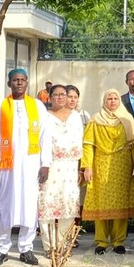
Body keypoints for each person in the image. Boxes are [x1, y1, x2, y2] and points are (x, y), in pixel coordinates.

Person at [0, 68, 51, 267]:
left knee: (29, 206)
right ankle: (2, 248)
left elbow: (44, 135)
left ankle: (26, 247)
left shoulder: (38, 106)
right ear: (9, 83)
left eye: (23, 80)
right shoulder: (0, 107)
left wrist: (45, 163)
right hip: (6, 166)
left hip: (32, 165)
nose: (19, 83)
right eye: (15, 80)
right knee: (5, 205)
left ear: (27, 82)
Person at [81, 90, 134, 255]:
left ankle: (118, 242)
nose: (113, 101)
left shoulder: (127, 119)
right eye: (109, 98)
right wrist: (87, 166)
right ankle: (101, 242)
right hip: (101, 166)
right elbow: (88, 144)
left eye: (115, 98)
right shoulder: (95, 120)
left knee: (120, 205)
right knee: (101, 205)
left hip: (122, 168)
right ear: (104, 100)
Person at [38, 85, 84, 255]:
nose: (60, 98)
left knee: (68, 204)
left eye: (63, 94)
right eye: (56, 95)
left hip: (71, 166)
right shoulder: (44, 116)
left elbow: (80, 141)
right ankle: (50, 246)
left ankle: (64, 244)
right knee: (47, 204)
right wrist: (44, 164)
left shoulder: (75, 117)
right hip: (50, 165)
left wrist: (80, 167)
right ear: (49, 97)